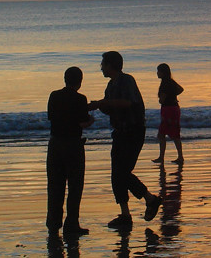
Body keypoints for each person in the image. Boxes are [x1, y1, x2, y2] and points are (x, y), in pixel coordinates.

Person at [88, 51, 161, 229]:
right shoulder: (110, 85)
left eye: (103, 64)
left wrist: (102, 103)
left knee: (122, 172)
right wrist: (100, 106)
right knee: (117, 173)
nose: (101, 67)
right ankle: (126, 214)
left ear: (111, 65)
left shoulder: (126, 80)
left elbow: (128, 102)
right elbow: (111, 108)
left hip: (133, 131)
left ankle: (150, 199)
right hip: (120, 131)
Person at [47, 66, 94, 236]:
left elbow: (52, 117)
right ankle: (71, 223)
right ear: (79, 82)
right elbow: (82, 122)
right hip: (73, 145)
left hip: (55, 143)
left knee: (54, 185)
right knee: (75, 186)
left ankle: (53, 224)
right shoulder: (80, 99)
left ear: (65, 79)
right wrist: (91, 120)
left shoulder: (54, 95)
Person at [152, 63, 184, 164]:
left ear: (163, 72)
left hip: (168, 109)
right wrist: (172, 94)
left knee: (162, 134)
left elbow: (162, 100)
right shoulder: (171, 82)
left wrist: (164, 97)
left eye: (158, 71)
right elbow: (180, 89)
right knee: (174, 134)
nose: (157, 73)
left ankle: (163, 157)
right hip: (174, 108)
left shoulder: (165, 84)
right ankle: (179, 156)